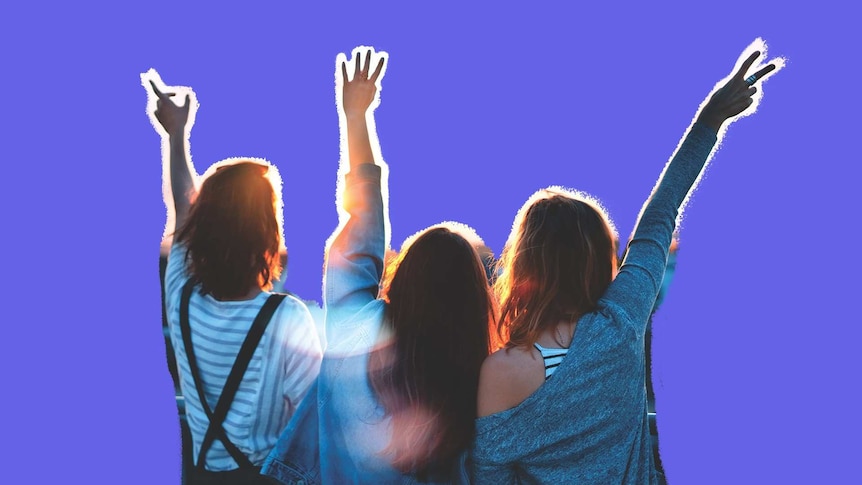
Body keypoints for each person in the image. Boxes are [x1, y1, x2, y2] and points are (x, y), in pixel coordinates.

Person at [473, 42, 781, 483]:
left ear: (523, 262)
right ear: (597, 259)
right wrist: (710, 118)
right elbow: (661, 213)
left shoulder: (499, 371)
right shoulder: (621, 321)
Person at [263, 47, 497, 484]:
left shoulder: (356, 330)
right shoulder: (477, 377)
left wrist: (355, 115)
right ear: (472, 298)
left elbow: (364, 221)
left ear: (403, 276)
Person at [144, 72, 323, 484]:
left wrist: (174, 135)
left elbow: (183, 213)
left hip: (200, 474)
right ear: (268, 235)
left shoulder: (180, 294)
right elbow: (313, 426)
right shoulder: (287, 319)